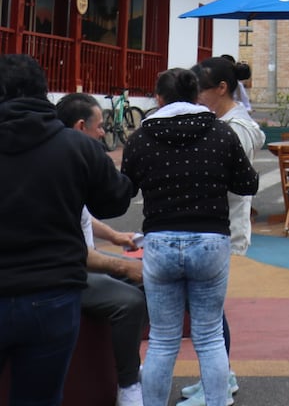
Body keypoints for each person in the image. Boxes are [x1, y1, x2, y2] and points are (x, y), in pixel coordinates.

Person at [0, 55, 134, 406]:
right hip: (53, 294)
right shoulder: (77, 147)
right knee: (40, 398)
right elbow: (115, 201)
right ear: (44, 93)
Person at [122, 67, 259, 406]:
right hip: (210, 239)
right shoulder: (220, 133)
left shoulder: (141, 138)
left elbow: (124, 190)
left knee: (163, 340)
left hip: (160, 240)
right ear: (197, 96)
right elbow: (248, 184)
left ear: (158, 98)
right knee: (210, 336)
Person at [55, 93, 148, 406]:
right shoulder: (63, 163)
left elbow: (83, 216)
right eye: (100, 127)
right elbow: (76, 253)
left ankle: (129, 363)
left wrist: (116, 236)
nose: (103, 133)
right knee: (131, 299)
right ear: (81, 126)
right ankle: (128, 385)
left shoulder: (66, 158)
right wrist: (124, 265)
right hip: (66, 273)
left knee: (145, 282)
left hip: (78, 264)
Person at [185, 56, 265, 406]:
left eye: (201, 89)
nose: (197, 95)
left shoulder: (235, 129)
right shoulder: (226, 122)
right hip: (213, 226)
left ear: (221, 88)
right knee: (208, 309)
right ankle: (221, 375)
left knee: (208, 311)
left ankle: (216, 384)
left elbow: (233, 180)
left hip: (220, 227)